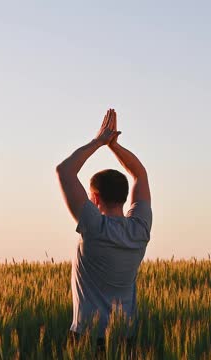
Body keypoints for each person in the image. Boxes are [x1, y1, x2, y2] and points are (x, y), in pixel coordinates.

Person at [56, 108, 152, 349]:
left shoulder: (94, 227)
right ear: (123, 196)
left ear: (95, 199)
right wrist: (114, 146)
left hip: (86, 339)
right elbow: (139, 174)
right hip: (125, 339)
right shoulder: (140, 229)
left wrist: (99, 141)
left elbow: (64, 171)